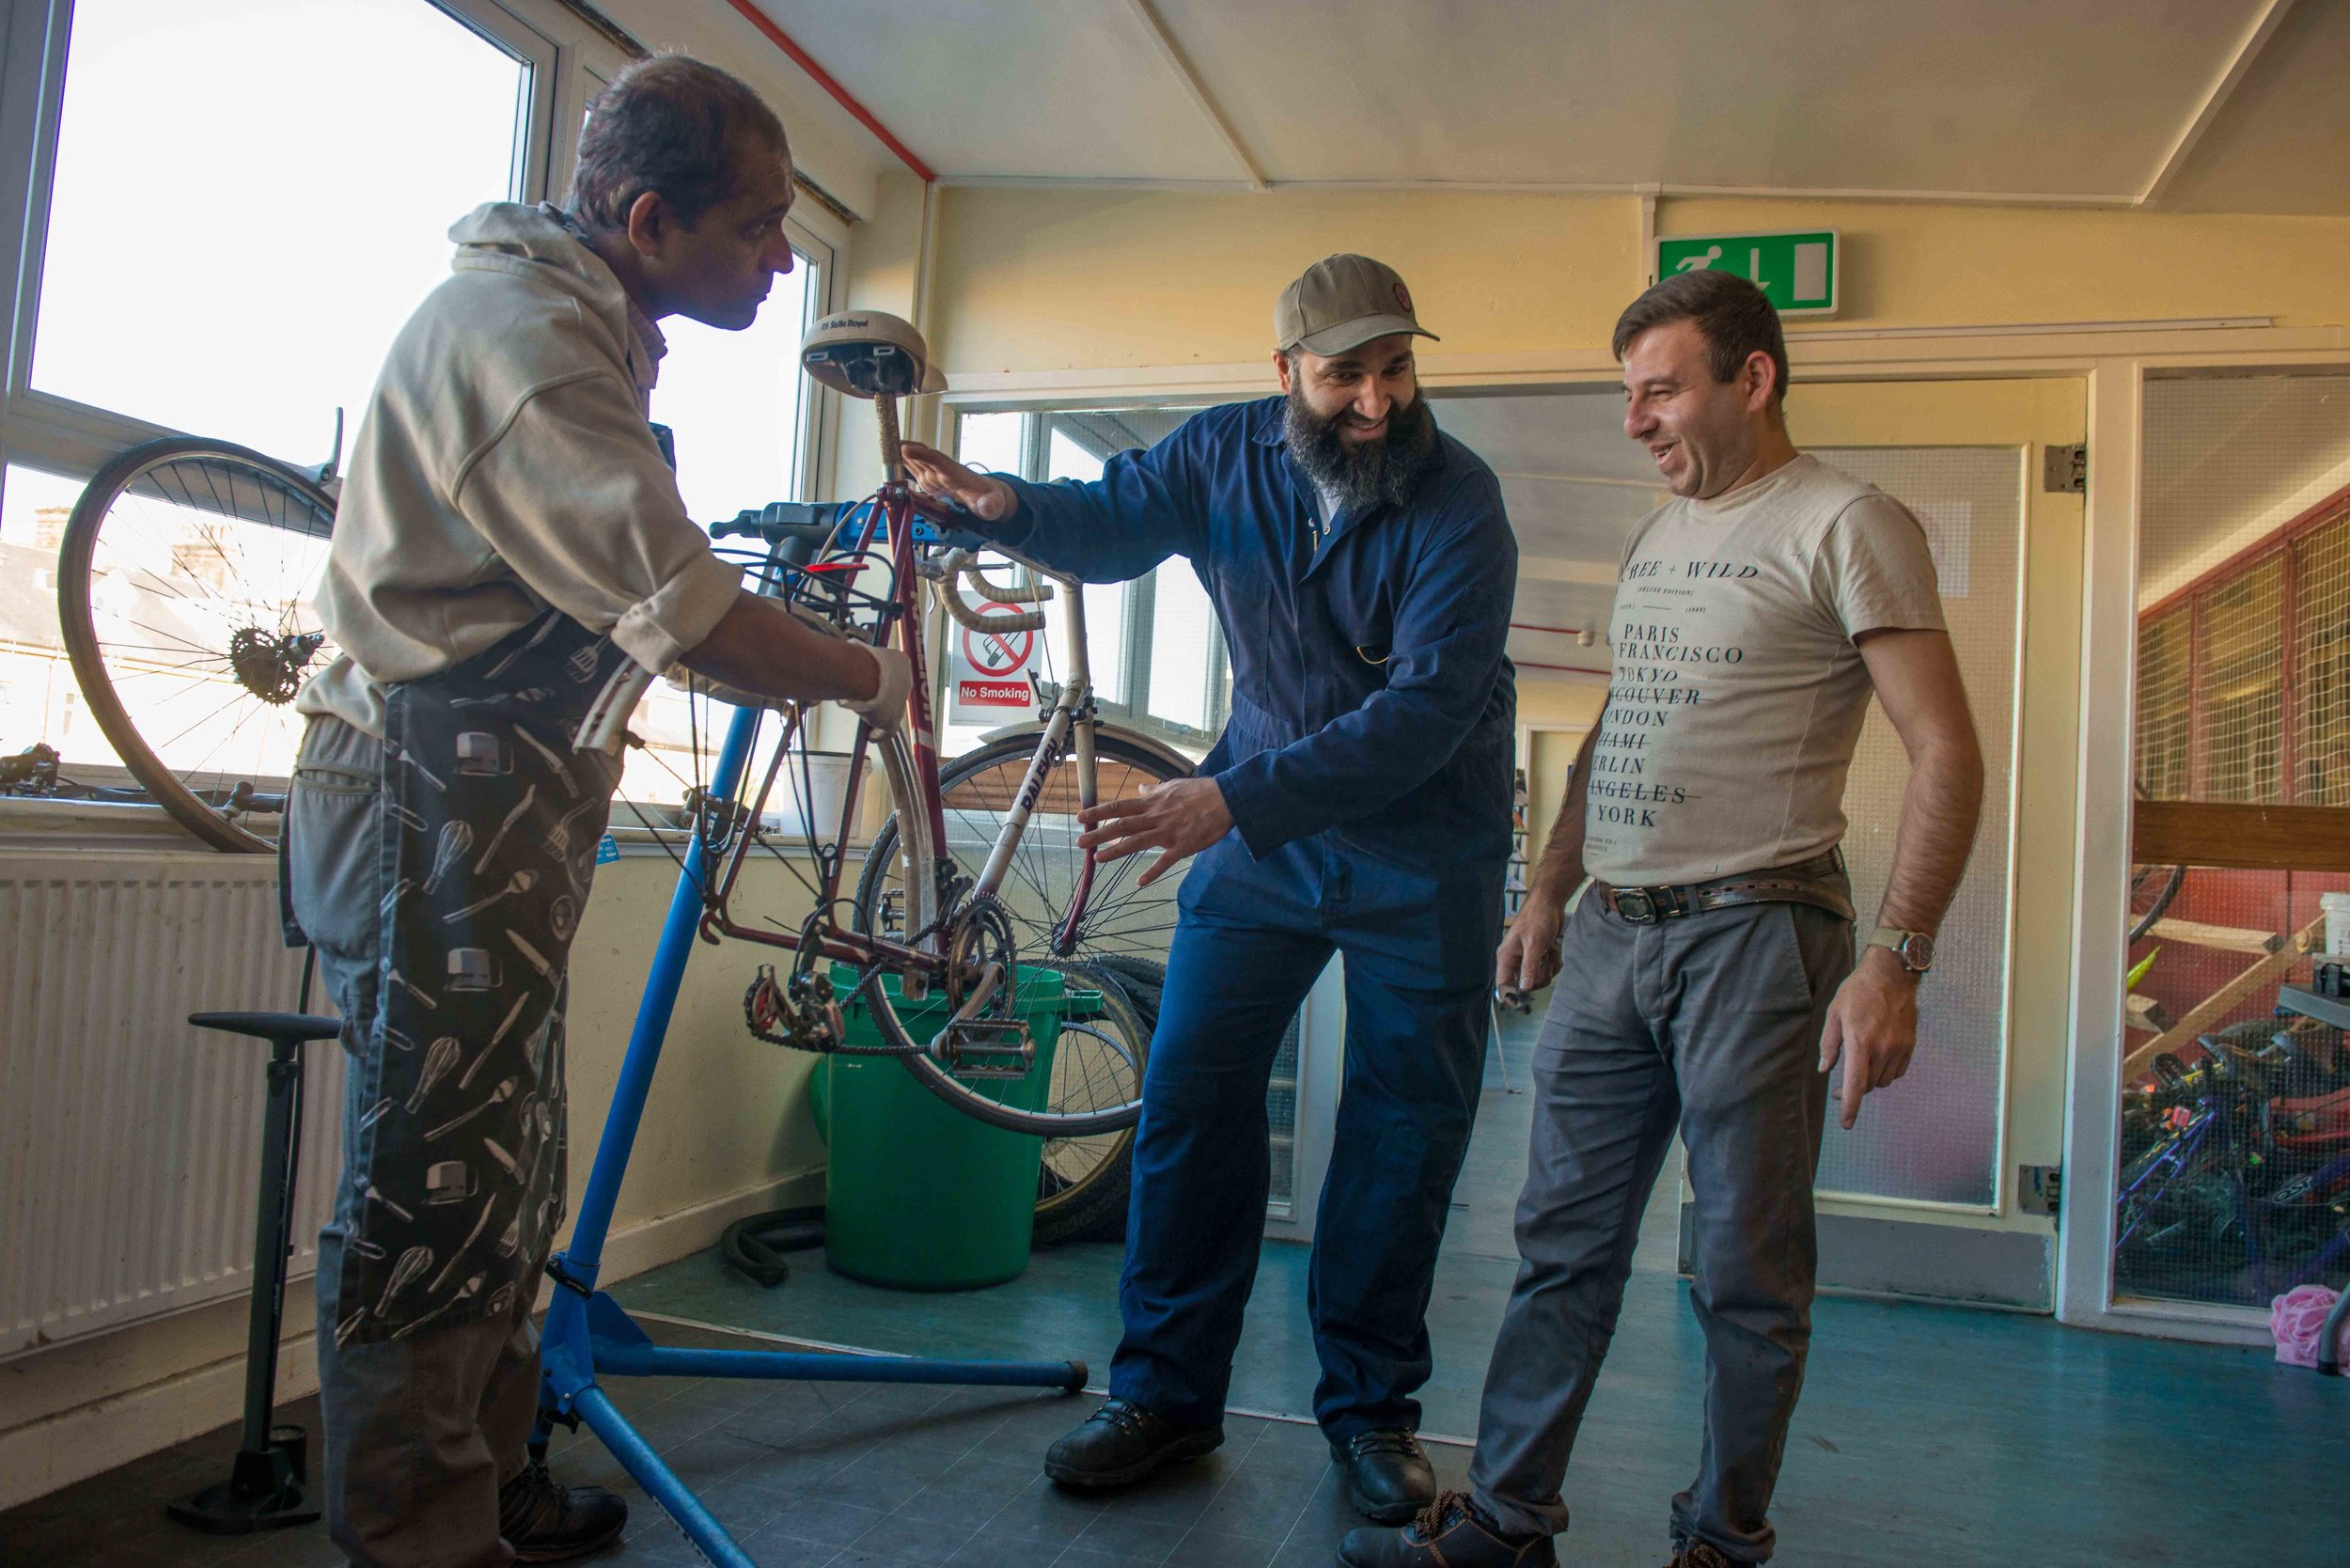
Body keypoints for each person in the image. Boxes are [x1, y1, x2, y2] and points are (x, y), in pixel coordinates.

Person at [284, 56, 908, 1568]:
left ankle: (485, 1478)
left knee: (503, 1152)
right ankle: (415, 1536)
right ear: (646, 219)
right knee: (433, 1166)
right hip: (422, 796)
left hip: (492, 801)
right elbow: (687, 609)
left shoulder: (580, 324)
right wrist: (861, 675)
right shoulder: (526, 348)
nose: (777, 261)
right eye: (760, 230)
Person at [1340, 269, 1984, 1568]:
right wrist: (1548, 890)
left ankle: (1722, 1541)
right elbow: (1617, 732)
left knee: (1746, 1270)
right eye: (1628, 394)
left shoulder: (1849, 521)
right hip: (1615, 941)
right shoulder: (1657, 537)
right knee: (1559, 1247)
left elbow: (1945, 749)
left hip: (1764, 931)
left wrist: (1896, 960)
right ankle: (1510, 1523)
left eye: (1662, 389)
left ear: (1753, 379)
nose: (1636, 421)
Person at [901, 254, 1518, 1523]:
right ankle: (1171, 1398)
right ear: (1284, 371)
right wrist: (1004, 503)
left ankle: (1370, 1413)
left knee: (1403, 1132)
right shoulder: (1219, 457)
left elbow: (1426, 713)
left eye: (1396, 368)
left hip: (1423, 847)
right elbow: (1110, 522)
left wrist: (1228, 799)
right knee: (1189, 1096)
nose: (1379, 402)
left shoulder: (1462, 501)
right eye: (1345, 374)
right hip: (1268, 836)